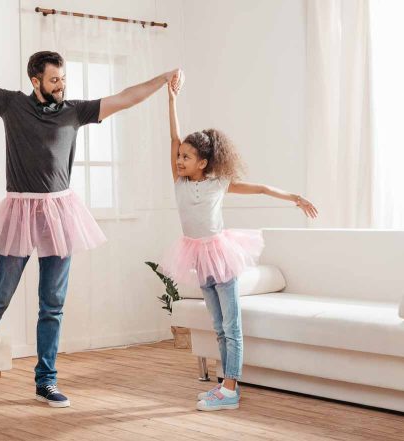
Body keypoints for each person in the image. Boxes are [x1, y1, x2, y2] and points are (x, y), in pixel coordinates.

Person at [0, 40, 181, 408]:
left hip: (59, 214)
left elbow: (125, 97)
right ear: (35, 80)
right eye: (54, 80)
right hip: (21, 212)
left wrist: (162, 78)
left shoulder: (75, 111)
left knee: (52, 304)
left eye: (63, 79)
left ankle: (46, 380)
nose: (61, 86)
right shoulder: (11, 104)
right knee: (0, 296)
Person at [161, 71, 318, 411]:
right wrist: (172, 100)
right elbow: (173, 137)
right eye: (179, 157)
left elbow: (260, 188)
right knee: (217, 324)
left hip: (220, 254)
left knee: (231, 324)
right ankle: (224, 385)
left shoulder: (218, 184)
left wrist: (294, 197)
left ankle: (230, 390)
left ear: (202, 162)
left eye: (186, 157)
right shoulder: (180, 182)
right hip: (197, 255)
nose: (179, 160)